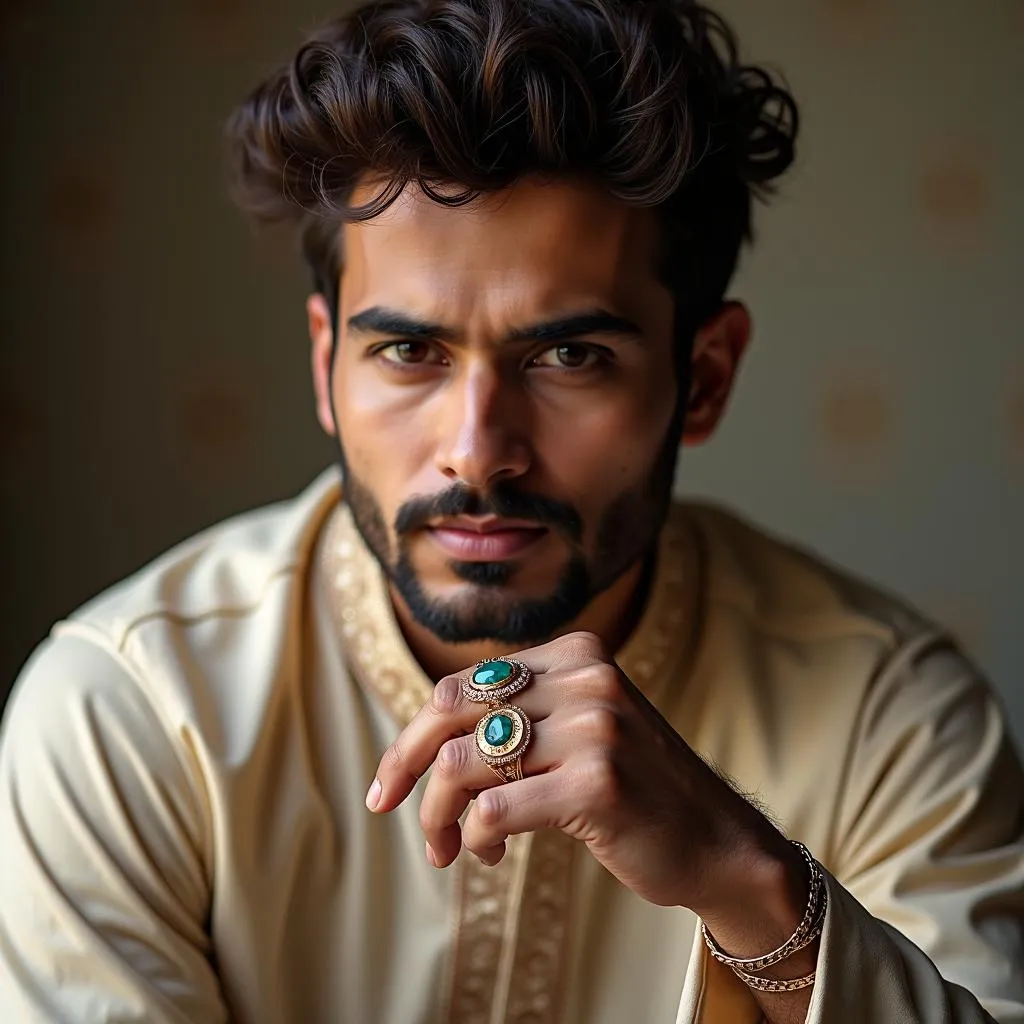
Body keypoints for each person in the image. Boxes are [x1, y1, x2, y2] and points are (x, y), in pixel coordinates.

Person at [1, 0, 1022, 1020]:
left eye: (570, 356)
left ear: (703, 377)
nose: (478, 449)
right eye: (408, 352)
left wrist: (750, 886)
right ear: (325, 366)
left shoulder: (893, 717)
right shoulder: (128, 714)